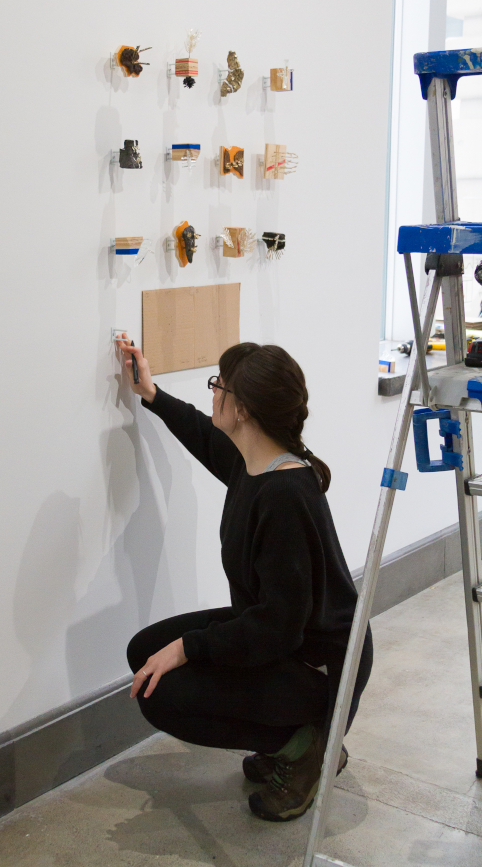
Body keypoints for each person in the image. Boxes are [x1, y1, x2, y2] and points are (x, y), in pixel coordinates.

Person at [117, 337, 373, 822]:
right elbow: (204, 435)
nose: (213, 391)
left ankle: (305, 744)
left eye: (220, 385)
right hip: (283, 638)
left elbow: (277, 627)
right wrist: (151, 394)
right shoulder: (255, 463)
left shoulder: (285, 495)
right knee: (144, 651)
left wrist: (189, 648)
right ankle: (288, 736)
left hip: (319, 666)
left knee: (161, 693)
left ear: (244, 410)